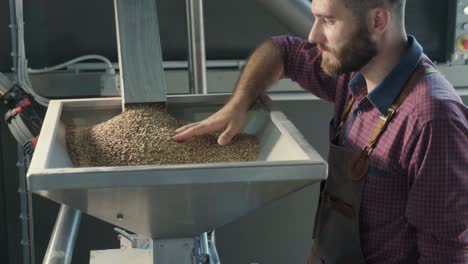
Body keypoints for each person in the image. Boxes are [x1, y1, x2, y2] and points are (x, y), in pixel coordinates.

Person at [172, 0, 468, 262]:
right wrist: (237, 104)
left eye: (329, 20)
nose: (314, 35)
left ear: (378, 20)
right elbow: (282, 51)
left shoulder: (433, 119)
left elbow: (446, 255)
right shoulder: (354, 73)